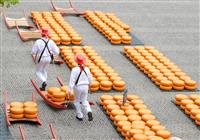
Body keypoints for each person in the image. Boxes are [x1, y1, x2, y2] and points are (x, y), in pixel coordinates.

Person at [68, 54, 93, 121]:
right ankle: (89, 111)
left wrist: (69, 90)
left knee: (77, 101)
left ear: (76, 61)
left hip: (78, 87)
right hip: (85, 86)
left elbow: (72, 80)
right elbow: (90, 78)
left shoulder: (74, 69)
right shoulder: (87, 69)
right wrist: (90, 85)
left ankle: (79, 115)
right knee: (84, 100)